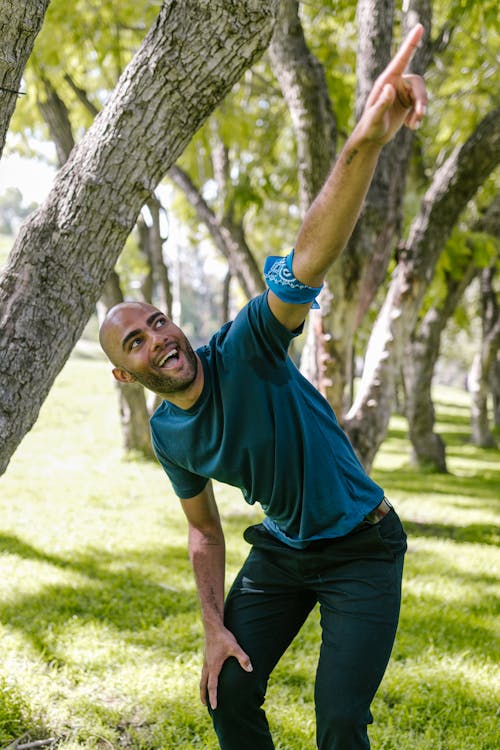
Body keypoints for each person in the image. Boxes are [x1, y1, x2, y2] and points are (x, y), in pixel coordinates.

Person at [99, 24, 427, 750]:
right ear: (128, 374)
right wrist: (213, 627)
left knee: (340, 721)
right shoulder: (168, 432)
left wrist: (365, 142)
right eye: (139, 341)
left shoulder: (245, 348)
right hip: (282, 549)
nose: (160, 338)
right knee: (229, 689)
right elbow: (202, 528)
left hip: (362, 548)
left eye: (158, 321)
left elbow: (310, 256)